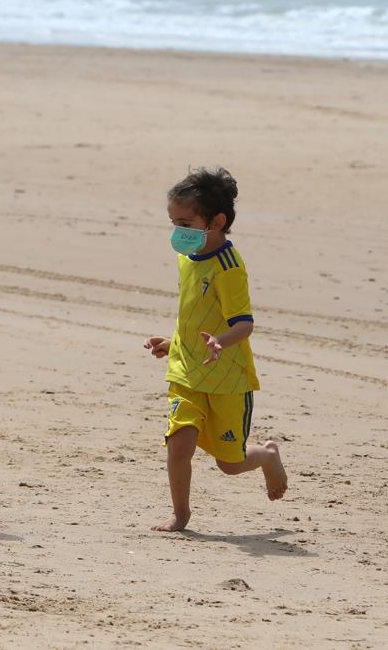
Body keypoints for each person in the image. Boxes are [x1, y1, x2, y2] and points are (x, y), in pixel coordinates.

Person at [143, 167, 288, 532]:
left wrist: (219, 342)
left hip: (227, 378)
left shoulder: (229, 267)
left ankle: (267, 454)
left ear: (217, 221)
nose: (178, 231)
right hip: (187, 371)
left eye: (186, 222)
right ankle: (181, 513)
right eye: (173, 222)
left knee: (230, 464)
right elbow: (193, 313)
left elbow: (244, 324)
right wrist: (174, 343)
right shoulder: (186, 258)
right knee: (180, 443)